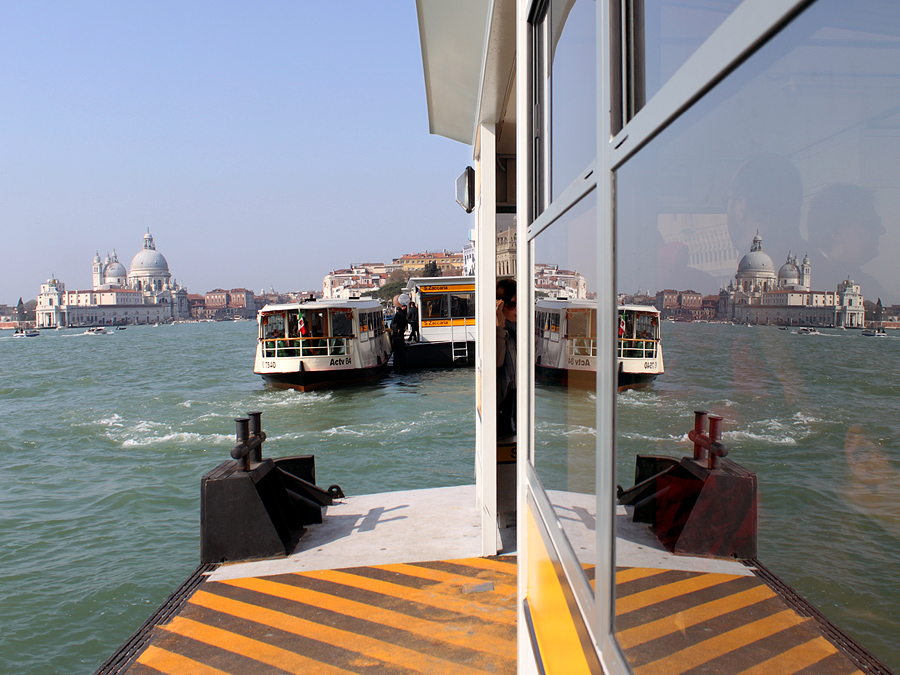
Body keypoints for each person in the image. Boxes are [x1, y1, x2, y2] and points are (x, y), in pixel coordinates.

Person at [496, 278, 517, 439]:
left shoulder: (520, 330)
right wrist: (500, 326)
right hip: (502, 409)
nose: (517, 309)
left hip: (516, 407)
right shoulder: (501, 332)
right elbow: (497, 362)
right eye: (511, 305)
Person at [391, 294, 409, 368]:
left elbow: (395, 321)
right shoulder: (404, 314)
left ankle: (402, 341)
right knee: (402, 333)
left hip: (400, 326)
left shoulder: (398, 314)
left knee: (401, 334)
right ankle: (402, 341)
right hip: (403, 325)